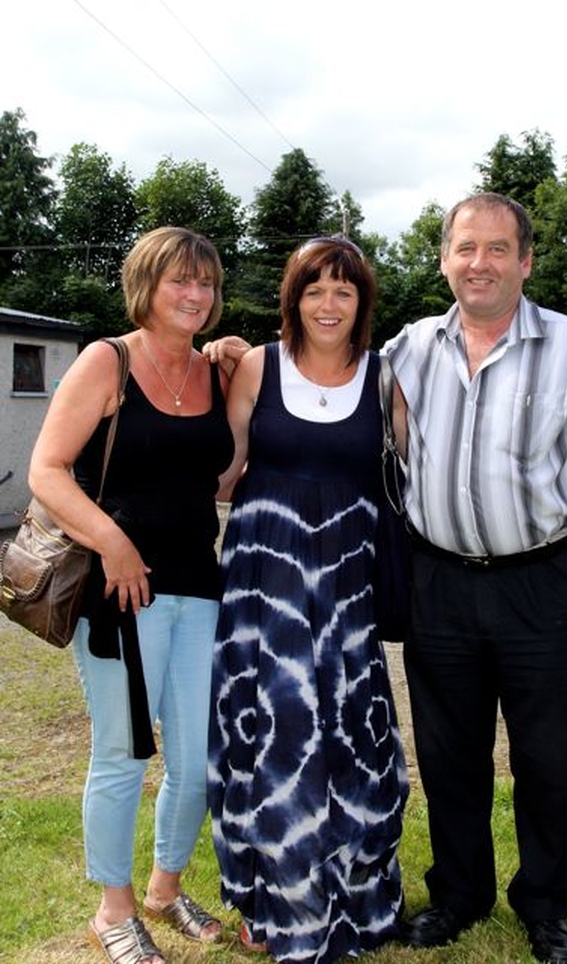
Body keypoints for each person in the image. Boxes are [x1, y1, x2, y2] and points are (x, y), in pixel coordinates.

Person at [383, 193, 567, 964]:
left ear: (526, 261)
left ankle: (546, 907)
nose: (480, 263)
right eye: (466, 248)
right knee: (448, 752)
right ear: (443, 258)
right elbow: (326, 386)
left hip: (540, 583)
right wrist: (239, 357)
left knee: (545, 756)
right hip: (438, 582)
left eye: (498, 249)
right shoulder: (408, 349)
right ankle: (459, 896)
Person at [28, 226, 235, 964]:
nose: (195, 294)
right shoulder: (106, 360)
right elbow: (47, 471)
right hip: (118, 593)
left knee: (198, 754)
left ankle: (164, 888)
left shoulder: (213, 372)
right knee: (123, 752)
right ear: (145, 285)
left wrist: (245, 381)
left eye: (206, 283)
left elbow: (222, 481)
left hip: (199, 586)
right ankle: (112, 910)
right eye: (180, 280)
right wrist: (113, 542)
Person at [206, 236, 409, 964]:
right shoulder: (257, 366)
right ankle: (268, 896)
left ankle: (359, 896)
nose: (328, 304)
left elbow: (407, 478)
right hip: (265, 588)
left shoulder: (386, 380)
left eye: (343, 291)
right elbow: (223, 472)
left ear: (362, 304)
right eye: (313, 289)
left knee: (351, 735)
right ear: (293, 298)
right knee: (270, 735)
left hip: (348, 595)